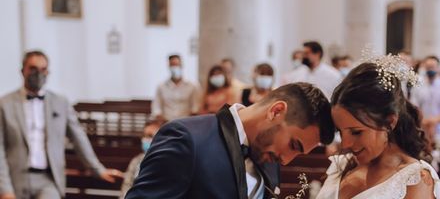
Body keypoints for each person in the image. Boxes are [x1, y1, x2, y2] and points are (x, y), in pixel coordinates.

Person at [125, 83, 335, 199]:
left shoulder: (270, 158)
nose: (287, 160)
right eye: (293, 145)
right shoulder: (188, 139)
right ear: (276, 111)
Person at [0, 50, 122, 199]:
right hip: (16, 178)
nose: (38, 73)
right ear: (22, 70)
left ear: (48, 72)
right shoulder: (5, 104)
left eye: (43, 69)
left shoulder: (60, 102)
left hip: (48, 178)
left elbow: (79, 138)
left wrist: (98, 169)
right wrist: (5, 189)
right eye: (33, 68)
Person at [316, 59, 440, 199]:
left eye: (356, 132)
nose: (346, 144)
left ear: (390, 122)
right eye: (340, 131)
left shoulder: (415, 179)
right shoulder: (342, 166)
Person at [410, 56, 440, 150]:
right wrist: (424, 121)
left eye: (433, 66)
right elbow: (413, 107)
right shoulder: (418, 87)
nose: (430, 69)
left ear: (438, 68)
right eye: (428, 67)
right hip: (422, 130)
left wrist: (435, 120)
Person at [119, 120, 164, 198]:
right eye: (144, 135)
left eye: (150, 136)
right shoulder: (136, 161)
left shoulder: (169, 163)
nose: (145, 139)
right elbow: (126, 188)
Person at [152, 54, 200, 121]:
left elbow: (195, 108)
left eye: (177, 64)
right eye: (172, 65)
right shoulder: (161, 87)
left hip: (186, 123)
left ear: (182, 65)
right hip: (166, 123)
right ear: (169, 66)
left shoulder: (192, 86)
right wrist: (162, 121)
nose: (175, 67)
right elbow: (156, 109)